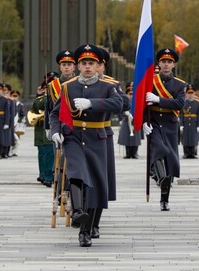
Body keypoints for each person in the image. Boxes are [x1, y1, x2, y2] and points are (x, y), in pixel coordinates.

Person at [51, 44, 127, 247]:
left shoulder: (107, 87)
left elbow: (119, 105)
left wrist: (92, 103)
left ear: (97, 66)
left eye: (91, 63)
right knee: (76, 172)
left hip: (97, 138)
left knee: (94, 184)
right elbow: (55, 113)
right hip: (73, 136)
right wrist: (55, 131)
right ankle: (77, 211)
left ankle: (86, 230)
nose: (87, 67)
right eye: (84, 63)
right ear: (78, 65)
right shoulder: (69, 86)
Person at [144, 47, 187, 211]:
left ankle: (164, 199)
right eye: (163, 61)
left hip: (170, 124)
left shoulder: (179, 85)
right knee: (158, 150)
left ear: (173, 65)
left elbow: (179, 104)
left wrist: (158, 99)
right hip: (154, 122)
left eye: (169, 62)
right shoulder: (150, 81)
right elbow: (142, 103)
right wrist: (142, 122)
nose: (166, 64)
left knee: (169, 159)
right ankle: (161, 178)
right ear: (159, 64)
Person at [30, 72, 58, 185]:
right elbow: (35, 109)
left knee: (50, 154)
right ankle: (44, 175)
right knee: (43, 153)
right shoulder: (41, 99)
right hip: (41, 129)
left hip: (53, 126)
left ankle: (49, 176)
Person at [181, 88, 199, 158]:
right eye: (189, 93)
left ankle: (193, 153)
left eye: (192, 93)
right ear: (186, 94)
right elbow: (181, 114)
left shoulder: (197, 102)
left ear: (194, 94)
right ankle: (186, 153)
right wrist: (181, 124)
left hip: (194, 122)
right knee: (186, 138)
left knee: (193, 138)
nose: (190, 95)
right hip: (186, 122)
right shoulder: (183, 102)